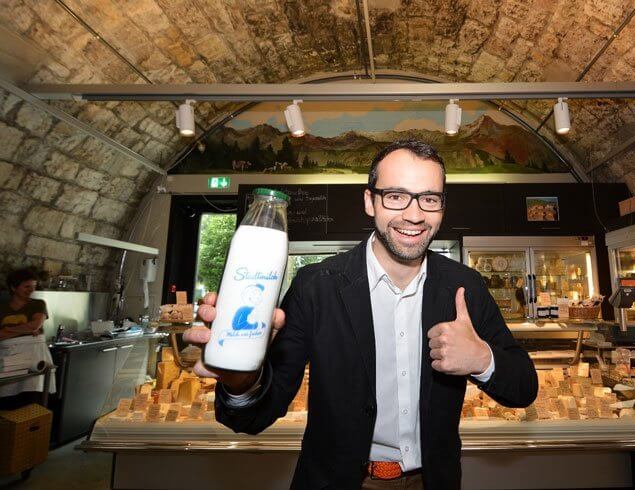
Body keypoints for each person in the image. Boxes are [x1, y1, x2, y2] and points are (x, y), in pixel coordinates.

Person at [184, 140, 537, 489]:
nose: (414, 215)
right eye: (396, 196)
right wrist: (240, 380)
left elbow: (523, 388)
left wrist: (482, 359)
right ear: (370, 201)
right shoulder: (316, 286)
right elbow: (256, 415)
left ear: (442, 206)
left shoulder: (465, 287)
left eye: (429, 198)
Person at [0, 267, 52, 409]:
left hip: (34, 356)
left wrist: (8, 329)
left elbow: (34, 326)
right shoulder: (2, 307)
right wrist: (25, 328)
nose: (31, 290)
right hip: (8, 357)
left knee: (31, 400)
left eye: (33, 286)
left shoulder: (38, 304)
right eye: (27, 286)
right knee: (7, 400)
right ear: (13, 287)